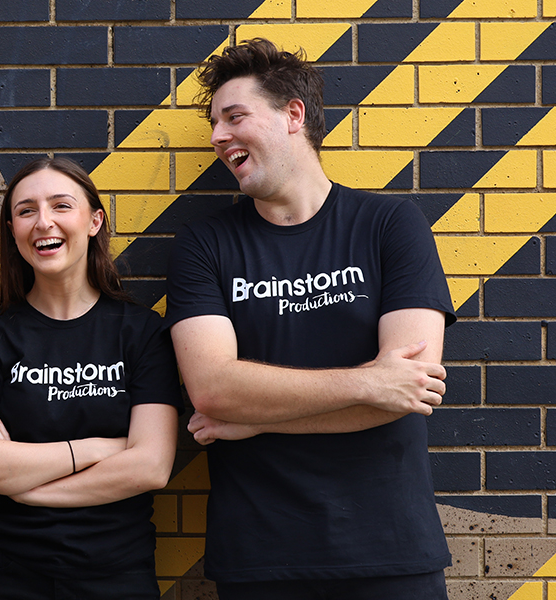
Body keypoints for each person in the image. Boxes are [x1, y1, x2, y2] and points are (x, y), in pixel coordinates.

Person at [164, 38, 454, 599]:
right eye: (214, 124)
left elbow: (409, 390)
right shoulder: (206, 244)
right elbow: (213, 389)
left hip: (390, 550)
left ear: (292, 114)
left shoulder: (391, 224)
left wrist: (260, 417)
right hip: (261, 557)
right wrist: (367, 379)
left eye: (235, 116)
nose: (217, 137)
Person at [0, 157, 182, 599]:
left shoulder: (141, 332)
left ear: (94, 221)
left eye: (61, 206)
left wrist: (28, 487)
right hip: (9, 576)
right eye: (26, 211)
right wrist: (97, 450)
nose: (43, 223)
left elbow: (151, 466)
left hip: (117, 576)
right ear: (12, 229)